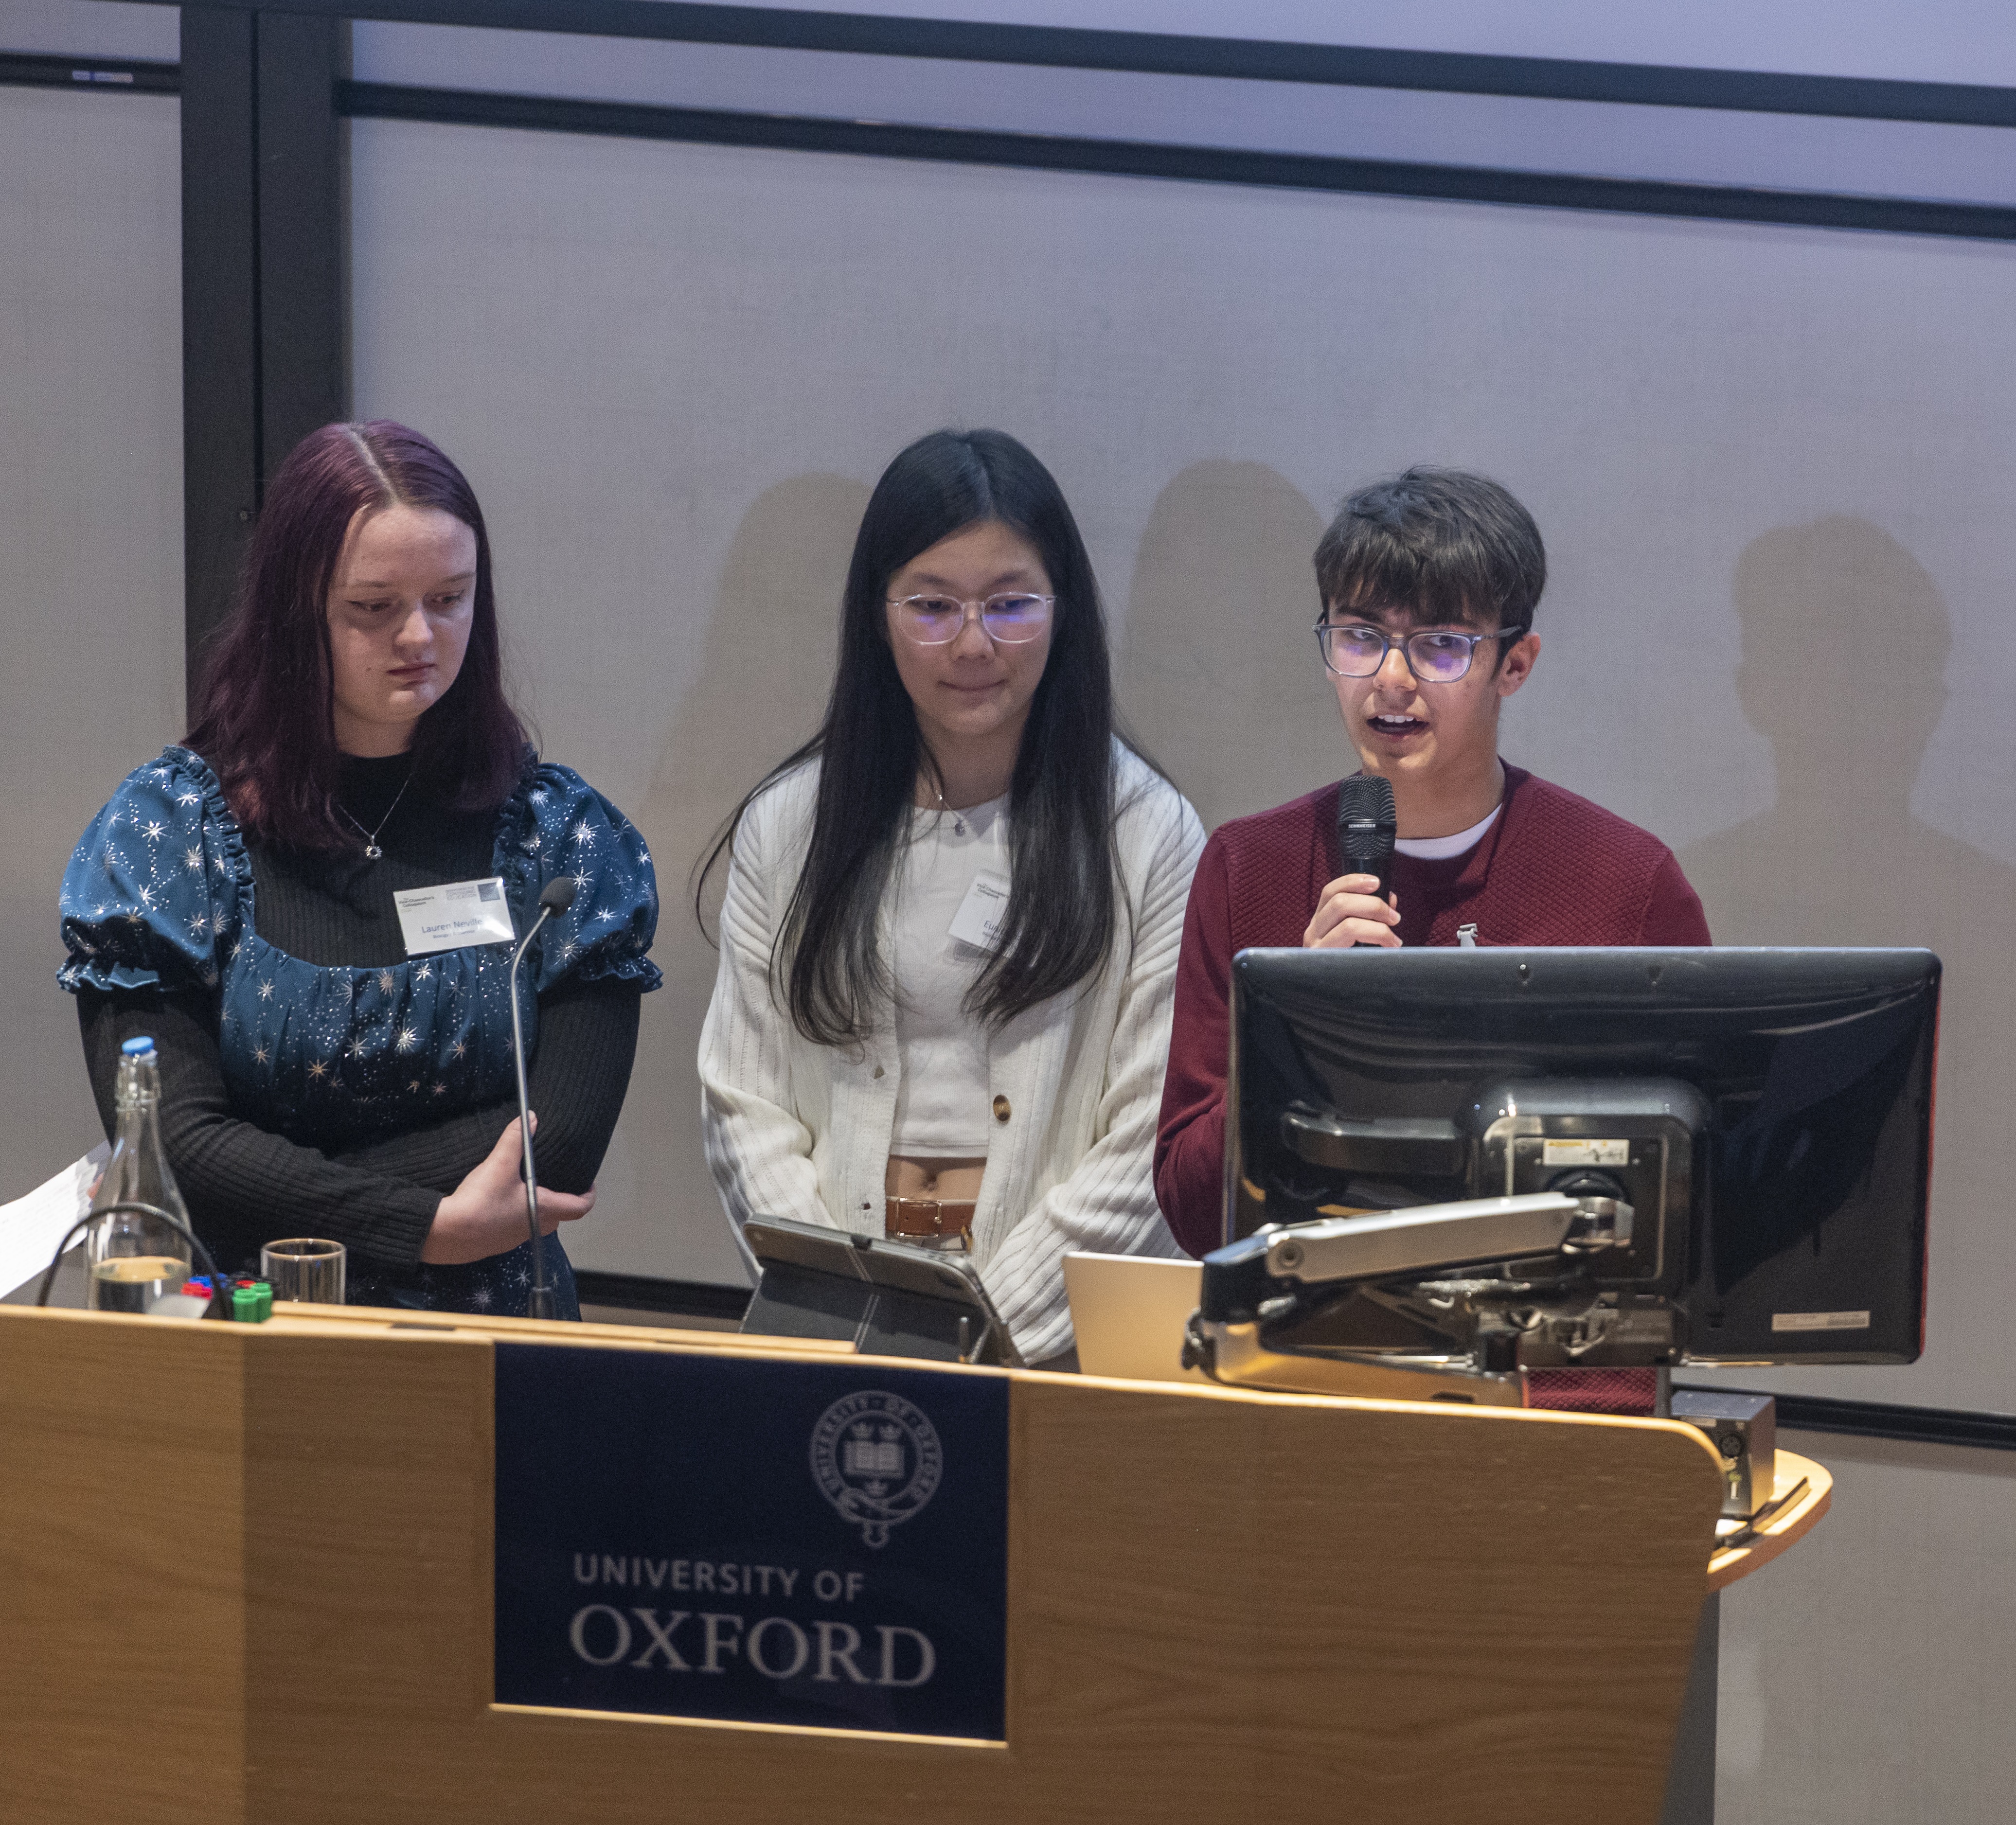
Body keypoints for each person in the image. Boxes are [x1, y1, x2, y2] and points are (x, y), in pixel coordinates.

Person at [58, 421, 659, 1316]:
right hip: (248, 1326)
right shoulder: (167, 832)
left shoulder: (558, 833)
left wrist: (266, 1177)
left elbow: (560, 1143)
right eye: (373, 608)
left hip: (497, 1332)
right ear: (294, 614)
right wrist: (423, 1223)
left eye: (451, 598)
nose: (420, 635)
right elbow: (172, 1143)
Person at [698, 428, 1203, 1366]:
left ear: (1063, 612)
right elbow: (745, 1104)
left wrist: (980, 1330)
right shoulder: (789, 822)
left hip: (1063, 1346)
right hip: (839, 1341)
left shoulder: (1148, 830)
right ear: (876, 614)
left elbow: (1150, 1133)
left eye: (1011, 605)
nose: (973, 643)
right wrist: (844, 1314)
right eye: (932, 606)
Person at [1155, 466, 1710, 1267]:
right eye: (1360, 637)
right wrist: (1295, 1030)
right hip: (1325, 1348)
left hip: (1554, 1359)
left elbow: (1693, 1199)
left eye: (1440, 645)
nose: (1390, 678)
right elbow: (1188, 1208)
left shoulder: (1626, 883)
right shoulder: (1248, 867)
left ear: (1514, 666)